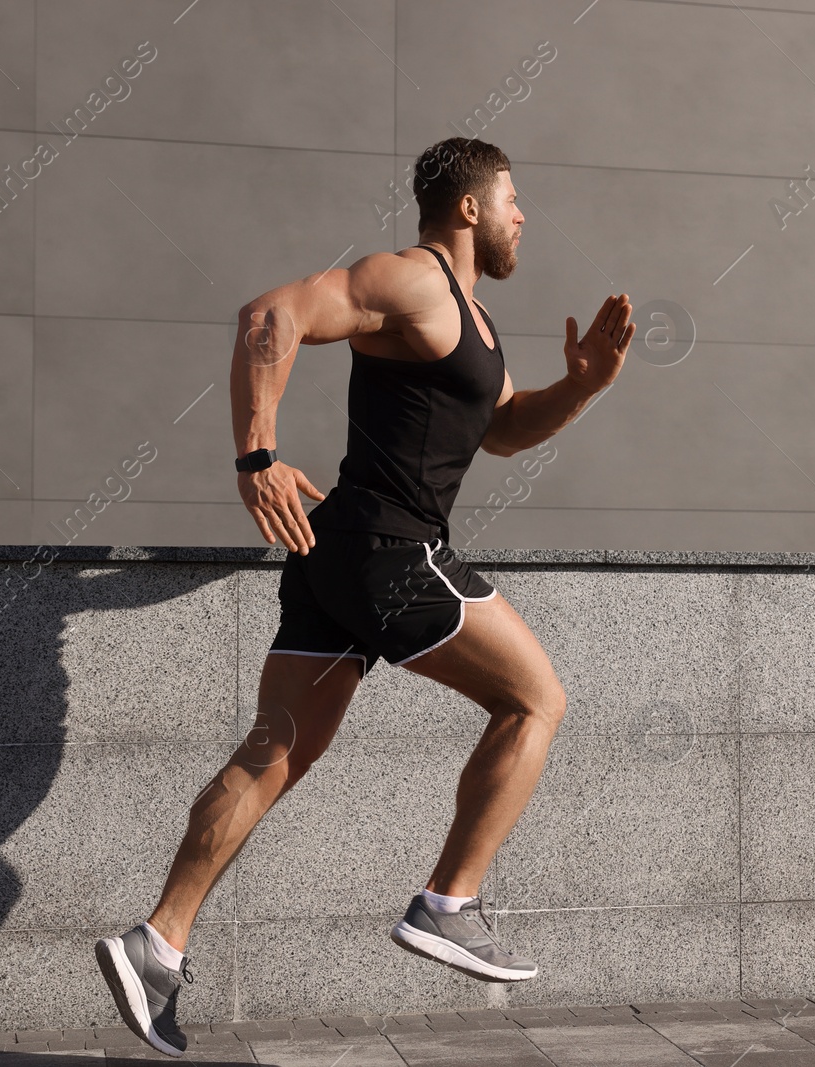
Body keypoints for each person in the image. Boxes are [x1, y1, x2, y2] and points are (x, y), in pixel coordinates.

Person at [94, 136, 634, 1056]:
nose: (522, 217)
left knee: (275, 754)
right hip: (391, 547)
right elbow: (273, 312)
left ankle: (157, 943)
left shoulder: (473, 320)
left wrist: (582, 389)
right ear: (469, 207)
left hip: (336, 553)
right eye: (512, 199)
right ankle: (447, 902)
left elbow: (502, 429)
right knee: (536, 698)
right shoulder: (416, 280)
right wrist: (256, 456)